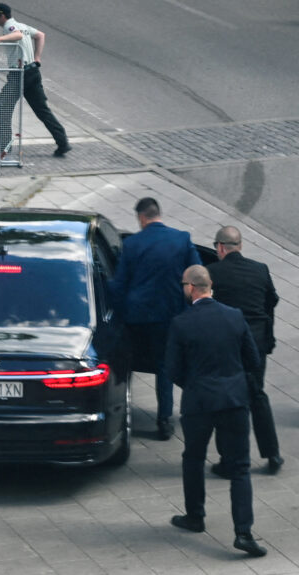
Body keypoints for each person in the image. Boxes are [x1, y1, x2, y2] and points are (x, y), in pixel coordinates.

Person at [166, 265, 268, 558]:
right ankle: (243, 533)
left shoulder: (181, 323)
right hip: (234, 401)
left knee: (194, 459)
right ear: (209, 285)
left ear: (191, 288)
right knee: (240, 468)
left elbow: (172, 369)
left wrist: (194, 385)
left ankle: (195, 516)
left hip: (199, 403)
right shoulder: (234, 316)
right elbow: (252, 360)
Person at [109, 197, 201, 440]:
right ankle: (164, 420)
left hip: (137, 318)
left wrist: (118, 310)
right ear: (158, 214)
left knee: (127, 363)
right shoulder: (182, 239)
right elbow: (197, 275)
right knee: (164, 366)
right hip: (170, 316)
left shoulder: (132, 244)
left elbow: (119, 284)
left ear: (141, 218)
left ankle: (121, 413)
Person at [208, 226, 283, 475]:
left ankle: (229, 460)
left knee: (226, 400)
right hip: (257, 344)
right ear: (239, 246)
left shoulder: (213, 273)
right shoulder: (260, 269)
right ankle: (272, 453)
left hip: (228, 346)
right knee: (257, 396)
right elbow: (271, 301)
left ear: (220, 247)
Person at [0, 3, 70, 157]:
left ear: (1, 16)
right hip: (33, 72)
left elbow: (17, 35)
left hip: (18, 75)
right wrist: (37, 57)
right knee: (42, 110)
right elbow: (40, 35)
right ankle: (62, 142)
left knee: (3, 107)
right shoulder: (22, 25)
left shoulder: (9, 27)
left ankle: (4, 144)